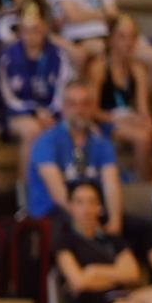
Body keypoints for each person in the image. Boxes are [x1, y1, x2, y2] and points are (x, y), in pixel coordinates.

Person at [88, 13, 152, 182]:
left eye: (132, 37)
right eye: (122, 37)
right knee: (142, 138)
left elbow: (142, 107)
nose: (128, 42)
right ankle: (143, 185)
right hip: (109, 121)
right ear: (111, 40)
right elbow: (92, 111)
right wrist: (118, 119)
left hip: (132, 119)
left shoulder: (137, 70)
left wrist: (145, 120)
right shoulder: (99, 68)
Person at [0, 0, 74, 194]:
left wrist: (52, 113)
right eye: (26, 30)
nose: (31, 36)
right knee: (32, 130)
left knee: (68, 128)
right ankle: (26, 193)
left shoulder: (58, 56)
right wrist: (34, 111)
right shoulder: (8, 56)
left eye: (36, 30)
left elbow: (63, 93)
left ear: (45, 28)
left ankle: (66, 190)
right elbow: (8, 98)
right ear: (20, 30)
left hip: (51, 115)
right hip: (15, 116)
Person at [27, 80, 121, 231]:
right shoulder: (46, 141)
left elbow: (111, 185)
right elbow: (59, 194)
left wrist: (115, 222)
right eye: (73, 104)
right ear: (63, 107)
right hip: (52, 214)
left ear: (92, 107)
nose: (79, 110)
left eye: (85, 104)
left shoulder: (101, 142)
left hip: (91, 212)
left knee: (144, 230)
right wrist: (91, 225)